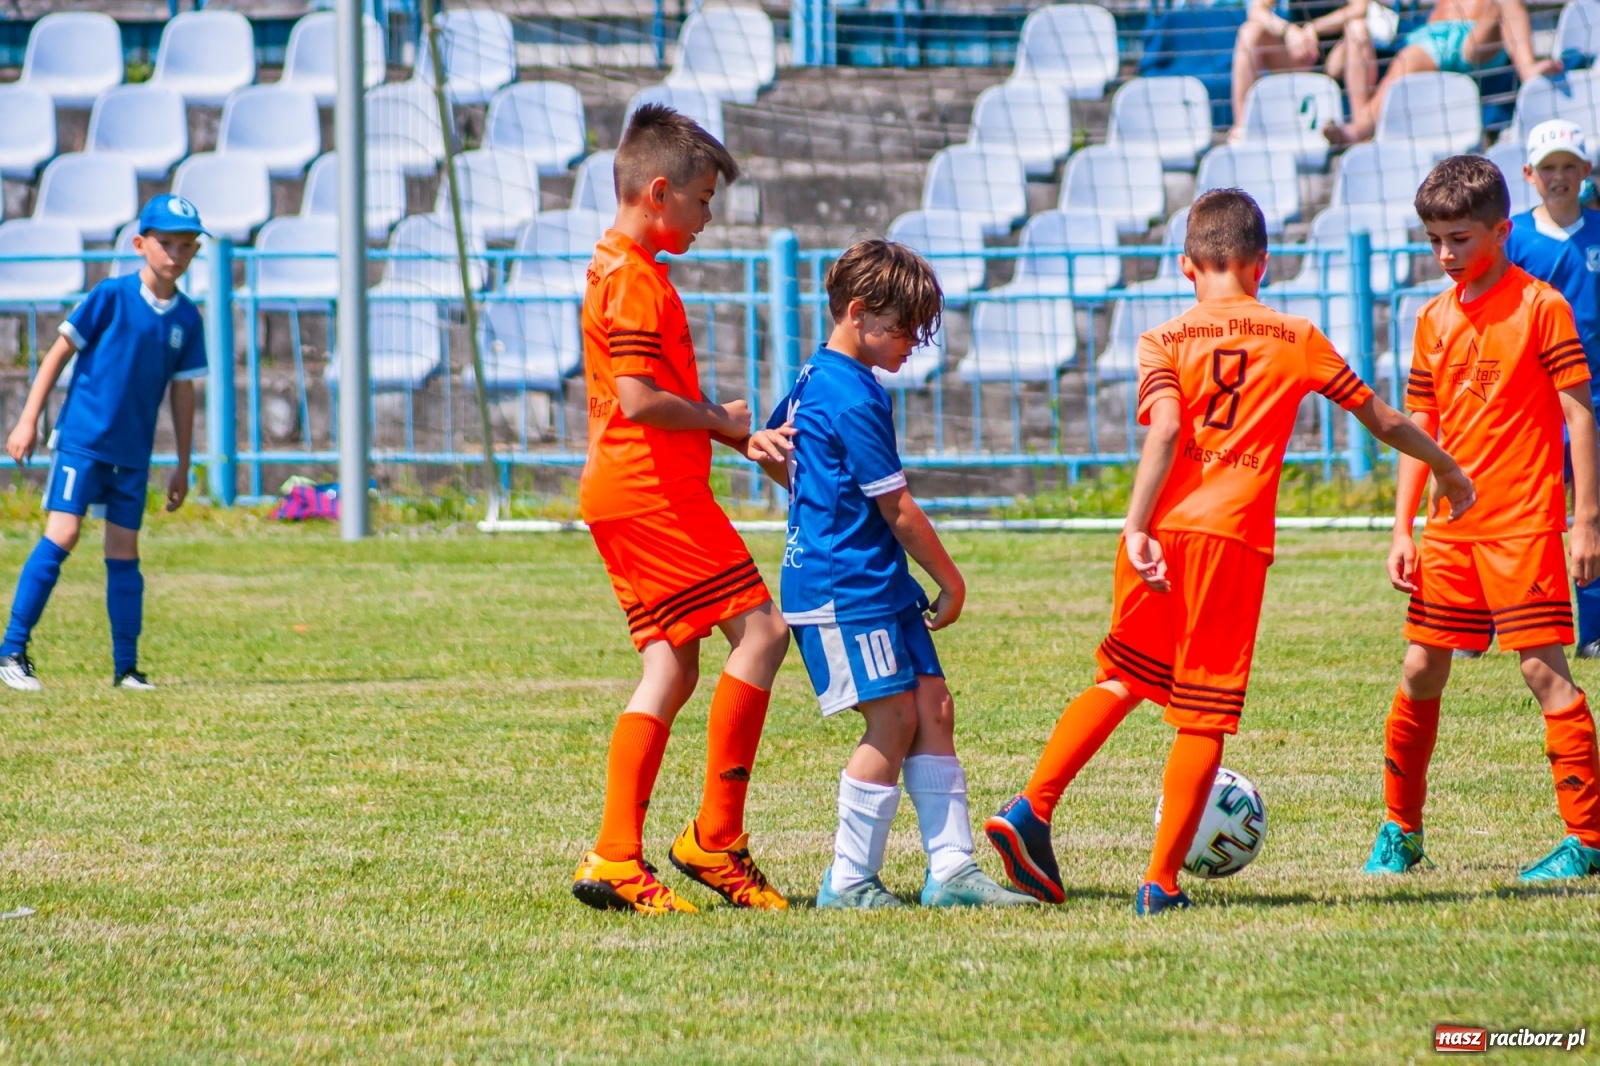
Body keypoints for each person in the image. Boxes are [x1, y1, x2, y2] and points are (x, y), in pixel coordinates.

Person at [982, 188, 1476, 914]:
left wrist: (1136, 526)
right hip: (1228, 542)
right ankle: (1160, 882)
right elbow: (1384, 417)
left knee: (1123, 679)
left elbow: (1164, 432)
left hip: (1158, 533)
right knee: (1204, 713)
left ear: (1187, 266)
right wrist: (1446, 467)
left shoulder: (1162, 338)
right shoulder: (1296, 336)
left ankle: (1031, 809)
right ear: (1263, 264)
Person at [764, 240, 1037, 910]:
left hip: (878, 582)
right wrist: (953, 580)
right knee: (892, 719)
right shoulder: (844, 391)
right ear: (859, 313)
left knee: (933, 709)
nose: (914, 341)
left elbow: (779, 451)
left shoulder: (824, 378)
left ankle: (952, 872)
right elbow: (899, 507)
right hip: (843, 587)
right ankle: (849, 879)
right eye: (904, 328)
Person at [569, 105, 793, 915]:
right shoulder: (631, 276)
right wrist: (720, 422)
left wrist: (734, 437)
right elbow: (637, 399)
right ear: (657, 192)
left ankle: (616, 855)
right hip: (652, 493)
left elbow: (651, 396)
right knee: (763, 632)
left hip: (623, 491)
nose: (706, 219)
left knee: (672, 664)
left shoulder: (619, 266)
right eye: (702, 201)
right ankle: (715, 840)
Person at [1366, 155, 1600, 881]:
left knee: (1542, 671)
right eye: (1434, 239)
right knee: (1420, 667)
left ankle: (1587, 841)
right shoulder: (1431, 317)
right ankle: (1401, 831)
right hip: (1450, 533)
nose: (1444, 255)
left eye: (1459, 239)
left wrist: (1585, 518)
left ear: (1502, 229)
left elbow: (1578, 412)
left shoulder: (1541, 306)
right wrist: (1405, 527)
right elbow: (1418, 427)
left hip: (1524, 523)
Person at [0, 195, 209, 692]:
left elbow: (183, 393)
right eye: (165, 243)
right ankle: (10, 650)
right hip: (83, 443)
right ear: (140, 245)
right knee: (64, 534)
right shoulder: (110, 297)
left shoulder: (187, 320)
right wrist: (27, 421)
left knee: (123, 550)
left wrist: (182, 463)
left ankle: (126, 668)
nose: (175, 254)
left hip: (133, 455)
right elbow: (57, 355)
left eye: (187, 245)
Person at [1505, 120, 1600, 657]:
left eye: (1569, 166)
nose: (1558, 177)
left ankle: (1596, 629)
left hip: (1593, 398)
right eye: (1548, 168)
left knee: (1593, 509)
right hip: (1528, 401)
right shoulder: (1511, 238)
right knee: (1514, 512)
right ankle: (1486, 619)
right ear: (1529, 174)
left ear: (1586, 173)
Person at [1324, 0, 1559, 144]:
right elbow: (1360, 8)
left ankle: (1528, 71)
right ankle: (1358, 129)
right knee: (1401, 63)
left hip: (1475, 36)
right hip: (1434, 36)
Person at [1228, 0, 1376, 143]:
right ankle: (1242, 129)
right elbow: (1256, 11)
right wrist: (1288, 32)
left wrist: (1315, 28)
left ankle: (1361, 128)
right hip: (1297, 55)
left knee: (1358, 29)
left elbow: (1360, 8)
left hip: (1336, 56)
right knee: (1249, 32)